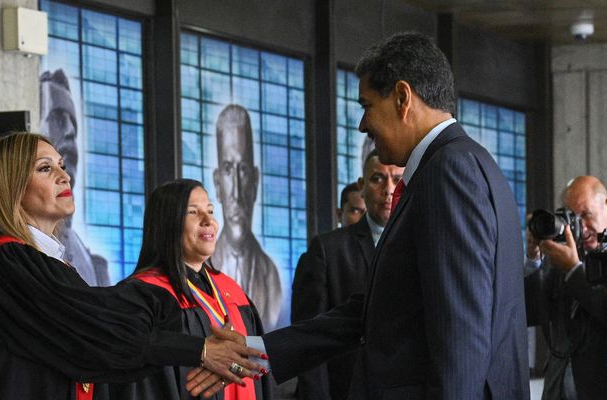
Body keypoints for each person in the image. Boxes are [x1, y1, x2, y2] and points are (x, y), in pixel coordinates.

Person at [192, 32, 528, 399]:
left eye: (367, 105)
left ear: (402, 98)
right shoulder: (469, 164)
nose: (362, 125)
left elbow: (461, 335)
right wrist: (255, 350)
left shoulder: (448, 172)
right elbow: (377, 311)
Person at [0, 133, 264, 399]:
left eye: (62, 166)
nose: (65, 176)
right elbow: (96, 332)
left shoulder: (46, 262)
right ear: (9, 186)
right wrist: (199, 349)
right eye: (45, 168)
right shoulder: (9, 262)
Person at [111, 179, 274, 400]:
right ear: (168, 223)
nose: (209, 221)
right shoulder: (144, 294)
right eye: (193, 213)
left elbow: (260, 367)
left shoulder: (231, 289)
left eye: (210, 211)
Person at [291, 150, 401, 400]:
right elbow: (309, 342)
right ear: (362, 186)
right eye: (378, 179)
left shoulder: (422, 245)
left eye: (397, 179)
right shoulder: (327, 250)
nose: (388, 189)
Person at [524, 176, 607, 400]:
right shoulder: (559, 260)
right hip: (556, 391)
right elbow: (530, 313)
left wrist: (574, 270)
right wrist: (533, 260)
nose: (580, 227)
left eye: (586, 215)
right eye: (572, 218)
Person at [211, 104, 283, 328]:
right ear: (217, 183)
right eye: (228, 169)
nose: (236, 191)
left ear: (255, 180)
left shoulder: (270, 275)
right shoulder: (201, 267)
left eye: (242, 170)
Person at [40, 69, 111, 286]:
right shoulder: (15, 256)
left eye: (73, 122)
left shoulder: (91, 261)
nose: (71, 131)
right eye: (58, 119)